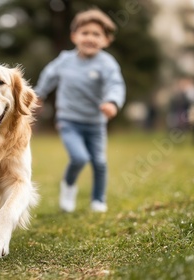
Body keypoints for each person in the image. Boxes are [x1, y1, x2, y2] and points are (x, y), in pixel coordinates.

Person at [34, 9, 126, 213]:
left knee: (99, 162)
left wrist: (112, 102)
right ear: (74, 36)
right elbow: (49, 76)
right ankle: (68, 186)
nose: (90, 38)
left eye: (96, 34)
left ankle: (98, 200)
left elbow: (116, 85)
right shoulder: (65, 60)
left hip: (95, 122)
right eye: (85, 33)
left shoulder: (107, 63)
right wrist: (38, 95)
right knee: (79, 158)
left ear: (106, 40)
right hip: (69, 121)